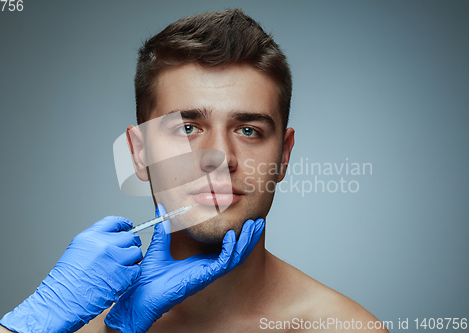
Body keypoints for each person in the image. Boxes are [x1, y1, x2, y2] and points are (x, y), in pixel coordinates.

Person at [81, 8, 389, 333]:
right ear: (140, 153)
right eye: (187, 128)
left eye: (248, 130)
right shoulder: (83, 326)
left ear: (284, 155)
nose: (221, 157)